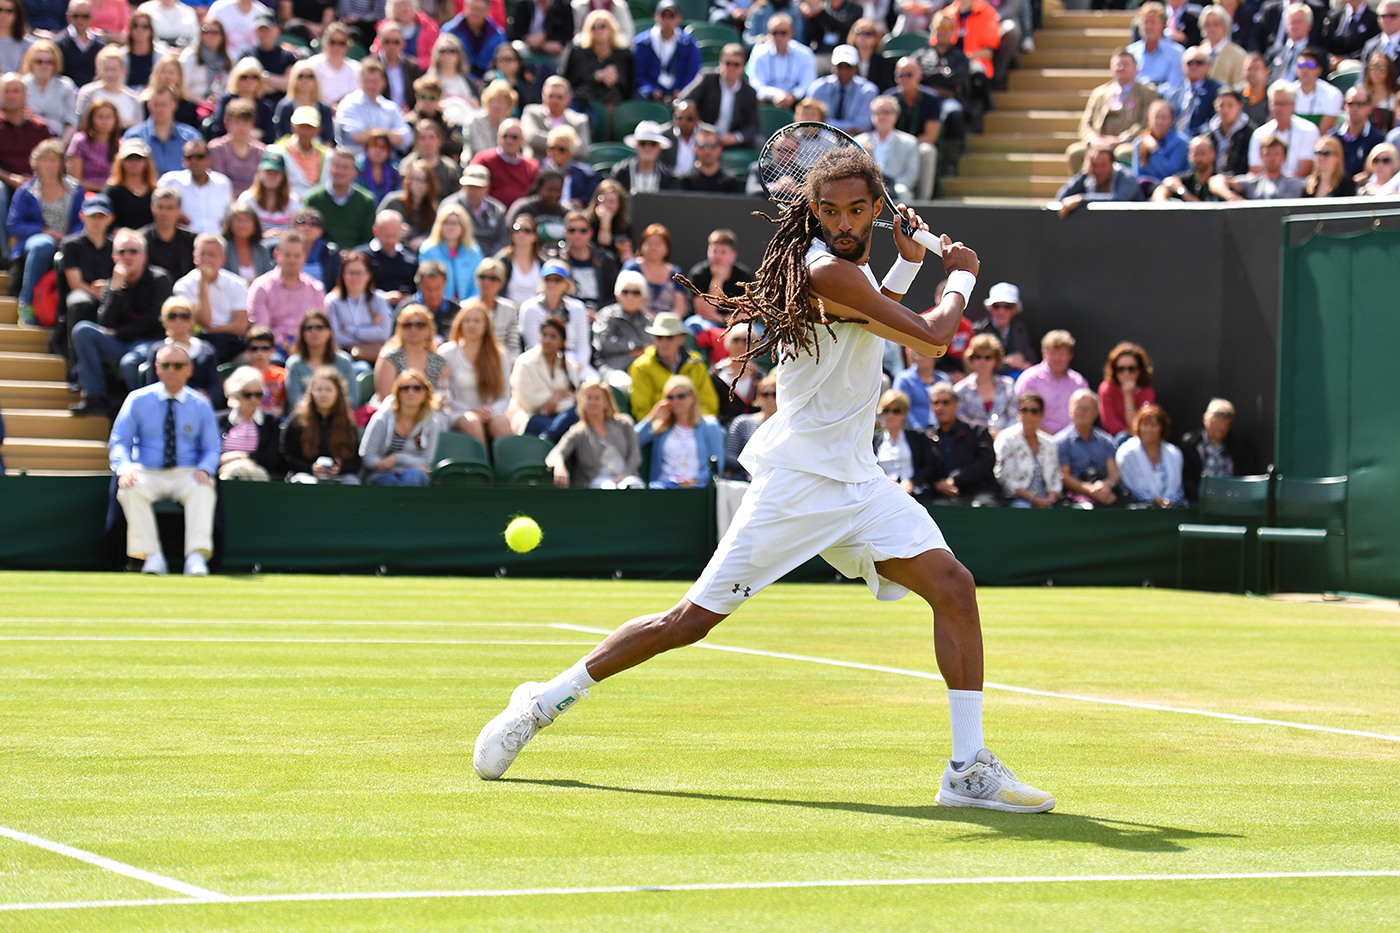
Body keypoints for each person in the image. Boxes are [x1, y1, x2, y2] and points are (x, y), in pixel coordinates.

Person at [474, 147, 1056, 818]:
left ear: (876, 207)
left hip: (858, 482)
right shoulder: (824, 270)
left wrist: (908, 262)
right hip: (798, 485)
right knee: (686, 622)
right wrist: (960, 278)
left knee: (953, 585)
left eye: (857, 209)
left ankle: (967, 769)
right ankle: (542, 702)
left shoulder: (850, 276)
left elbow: (865, 325)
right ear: (812, 211)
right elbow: (930, 338)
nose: (843, 220)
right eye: (829, 210)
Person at [110, 341, 220, 576]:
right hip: (147, 471)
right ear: (157, 368)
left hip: (187, 472)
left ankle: (196, 557)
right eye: (166, 365)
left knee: (203, 487)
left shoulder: (201, 405)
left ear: (189, 370)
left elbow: (212, 447)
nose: (172, 370)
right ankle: (152, 557)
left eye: (178, 365)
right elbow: (119, 441)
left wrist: (205, 468)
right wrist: (125, 468)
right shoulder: (136, 400)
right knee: (129, 489)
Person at [69, 227, 173, 416]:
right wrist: (116, 289)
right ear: (114, 257)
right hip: (121, 343)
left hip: (150, 342)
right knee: (83, 330)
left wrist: (120, 333)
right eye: (121, 252)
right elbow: (106, 322)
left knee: (129, 363)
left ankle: (143, 412)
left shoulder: (160, 279)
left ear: (144, 256)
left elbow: (155, 320)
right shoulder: (112, 283)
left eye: (133, 251)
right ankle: (95, 397)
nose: (127, 256)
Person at [9, 138, 84, 325]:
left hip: (69, 240)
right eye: (45, 159)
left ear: (61, 163)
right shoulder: (26, 191)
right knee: (44, 244)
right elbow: (14, 224)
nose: (49, 164)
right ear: (36, 162)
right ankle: (26, 304)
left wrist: (69, 239)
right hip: (36, 241)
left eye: (54, 159)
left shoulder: (75, 189)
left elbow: (82, 220)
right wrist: (44, 231)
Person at [1065, 49, 1158, 173]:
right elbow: (1085, 124)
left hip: (1126, 143)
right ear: (1111, 68)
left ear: (1136, 69)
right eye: (1117, 64)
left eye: (1125, 64)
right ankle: (1085, 189)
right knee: (1075, 152)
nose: (1121, 68)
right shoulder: (1099, 93)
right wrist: (1093, 140)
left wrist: (1122, 139)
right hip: (1098, 143)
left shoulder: (1147, 92)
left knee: (1123, 153)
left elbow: (1145, 123)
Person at [547, 378, 642, 487]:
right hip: (597, 483)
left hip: (627, 479)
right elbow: (556, 453)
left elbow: (635, 454)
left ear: (606, 402)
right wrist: (559, 466)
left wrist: (626, 474)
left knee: (633, 485)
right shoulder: (578, 431)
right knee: (608, 488)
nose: (592, 402)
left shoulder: (624, 423)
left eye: (597, 398)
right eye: (588, 398)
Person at [440, 301, 513, 444]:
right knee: (473, 424)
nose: (471, 325)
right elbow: (445, 395)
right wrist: (472, 410)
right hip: (458, 412)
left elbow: (505, 396)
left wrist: (489, 412)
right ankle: (483, 465)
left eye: (477, 321)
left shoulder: (500, 355)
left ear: (486, 326)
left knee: (502, 424)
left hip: (491, 411)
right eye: (467, 321)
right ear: (460, 324)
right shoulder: (446, 352)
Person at [634, 373, 723, 488]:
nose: (675, 401)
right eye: (670, 397)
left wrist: (695, 481)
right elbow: (632, 441)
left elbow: (717, 466)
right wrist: (651, 418)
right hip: (664, 487)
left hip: (699, 487)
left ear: (693, 397)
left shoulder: (710, 426)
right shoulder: (661, 426)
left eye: (681, 396)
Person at [171, 233, 249, 364]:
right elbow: (204, 320)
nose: (206, 259)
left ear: (223, 258)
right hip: (196, 344)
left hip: (229, 345)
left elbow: (241, 326)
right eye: (202, 254)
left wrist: (211, 330)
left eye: (212, 255)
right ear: (194, 256)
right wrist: (203, 284)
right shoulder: (183, 286)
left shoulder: (237, 284)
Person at [248, 231, 327, 358]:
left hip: (308, 347)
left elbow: (320, 327)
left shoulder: (315, 288)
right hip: (272, 349)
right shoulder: (261, 287)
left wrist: (301, 347)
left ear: (305, 256)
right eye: (287, 255)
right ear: (276, 254)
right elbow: (261, 329)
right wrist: (285, 345)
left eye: (297, 255)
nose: (292, 260)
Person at [627, 311, 718, 421]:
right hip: (659, 429)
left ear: (681, 339)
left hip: (695, 426)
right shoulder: (641, 367)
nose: (664, 342)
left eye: (670, 337)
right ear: (654, 339)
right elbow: (641, 411)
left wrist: (690, 424)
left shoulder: (696, 364)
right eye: (659, 337)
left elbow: (710, 405)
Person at [359, 368, 442, 485]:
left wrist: (396, 458)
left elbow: (426, 461)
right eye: (405, 388)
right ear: (398, 393)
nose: (411, 392)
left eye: (417, 388)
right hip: (380, 473)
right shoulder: (381, 418)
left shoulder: (432, 422)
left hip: (413, 474)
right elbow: (367, 456)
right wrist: (392, 468)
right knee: (389, 481)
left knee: (412, 475)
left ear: (425, 393)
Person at [281, 364, 363, 482]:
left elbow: (356, 462)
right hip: (304, 475)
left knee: (351, 481)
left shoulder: (348, 423)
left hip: (339, 477)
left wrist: (339, 469)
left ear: (338, 393)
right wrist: (310, 468)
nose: (323, 394)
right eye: (319, 389)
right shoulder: (297, 421)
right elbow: (286, 455)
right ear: (311, 392)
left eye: (328, 390)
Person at [923, 381, 997, 506]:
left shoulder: (978, 431)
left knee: (981, 506)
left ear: (955, 405)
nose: (940, 407)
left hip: (979, 491)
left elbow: (986, 463)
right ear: (931, 406)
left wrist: (954, 480)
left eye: (945, 402)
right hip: (943, 495)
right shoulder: (927, 436)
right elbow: (925, 469)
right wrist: (938, 485)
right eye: (936, 403)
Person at [507, 314, 581, 436]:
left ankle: (549, 435)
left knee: (576, 413)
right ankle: (551, 434)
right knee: (569, 428)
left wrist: (557, 401)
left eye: (553, 337)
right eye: (544, 335)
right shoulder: (524, 362)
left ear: (562, 342)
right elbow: (527, 402)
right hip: (528, 417)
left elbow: (575, 398)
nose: (547, 340)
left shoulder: (569, 365)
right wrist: (556, 395)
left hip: (560, 415)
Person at [58, 191, 114, 348]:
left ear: (110, 219)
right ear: (82, 216)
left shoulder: (117, 246)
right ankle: (74, 359)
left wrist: (108, 288)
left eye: (101, 216)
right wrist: (94, 291)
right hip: (84, 292)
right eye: (92, 216)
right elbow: (75, 283)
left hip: (111, 292)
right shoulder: (71, 245)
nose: (97, 221)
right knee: (79, 302)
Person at [335, 59, 414, 159]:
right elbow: (356, 136)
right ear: (359, 80)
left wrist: (372, 134)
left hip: (387, 163)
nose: (370, 86)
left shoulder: (390, 107)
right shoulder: (349, 103)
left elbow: (407, 137)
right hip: (355, 163)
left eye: (375, 82)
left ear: (384, 83)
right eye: (367, 81)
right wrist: (389, 135)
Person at [517, 260, 591, 368]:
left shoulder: (578, 308)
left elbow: (583, 347)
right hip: (540, 364)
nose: (552, 284)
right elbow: (533, 346)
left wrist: (577, 367)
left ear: (566, 283)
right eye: (548, 279)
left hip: (574, 362)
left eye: (557, 280)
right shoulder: (529, 308)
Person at [993, 390, 1061, 508]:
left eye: (1034, 411)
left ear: (1041, 414)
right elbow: (1004, 478)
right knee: (1023, 507)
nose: (1028, 415)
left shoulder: (1050, 443)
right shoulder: (1006, 439)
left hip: (1046, 500)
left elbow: (1056, 478)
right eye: (1024, 410)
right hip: (1017, 499)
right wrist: (1033, 499)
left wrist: (1051, 497)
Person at [561, 10, 635, 118]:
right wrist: (596, 76)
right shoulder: (579, 52)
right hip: (583, 103)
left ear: (611, 29)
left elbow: (629, 84)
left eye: (602, 26)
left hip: (614, 103)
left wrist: (613, 79)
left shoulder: (624, 54)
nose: (598, 30)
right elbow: (570, 80)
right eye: (593, 27)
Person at [1013, 330, 1089, 435]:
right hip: (1037, 441)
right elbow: (1018, 414)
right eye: (1053, 353)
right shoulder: (1029, 379)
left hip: (1072, 443)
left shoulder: (1079, 382)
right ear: (1043, 353)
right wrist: (1050, 437)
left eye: (1061, 354)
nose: (1057, 359)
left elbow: (1087, 415)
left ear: (1070, 355)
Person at [1054, 389, 1121, 508]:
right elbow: (1064, 477)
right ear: (1070, 411)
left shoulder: (1106, 441)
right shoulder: (1061, 442)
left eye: (1086, 409)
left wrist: (1106, 486)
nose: (1081, 413)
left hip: (1105, 494)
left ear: (1096, 413)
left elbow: (1114, 475)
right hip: (1074, 498)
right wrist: (1091, 490)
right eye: (1077, 408)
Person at [326, 249, 392, 367]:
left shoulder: (379, 299)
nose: (355, 278)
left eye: (359, 273)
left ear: (368, 275)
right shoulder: (332, 301)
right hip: (343, 355)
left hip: (375, 355)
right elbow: (335, 336)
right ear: (343, 275)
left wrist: (349, 329)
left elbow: (384, 333)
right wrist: (370, 333)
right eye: (350, 273)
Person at [304, 147, 377, 250]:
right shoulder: (313, 198)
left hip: (357, 257)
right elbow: (309, 233)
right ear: (328, 168)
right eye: (336, 166)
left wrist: (353, 254)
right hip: (323, 256)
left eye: (346, 167)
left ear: (355, 172)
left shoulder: (366, 200)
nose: (340, 171)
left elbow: (368, 237)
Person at [217, 365, 282, 481]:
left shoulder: (271, 421)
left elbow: (272, 457)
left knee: (237, 471)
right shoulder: (219, 420)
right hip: (224, 471)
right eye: (247, 395)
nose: (253, 400)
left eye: (258, 394)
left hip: (257, 473)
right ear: (236, 394)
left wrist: (242, 457)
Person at [123, 84, 202, 177]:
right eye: (156, 105)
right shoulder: (134, 136)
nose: (160, 109)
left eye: (164, 105)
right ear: (149, 105)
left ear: (174, 105)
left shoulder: (191, 137)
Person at [1115, 404, 1186, 507]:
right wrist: (1153, 500)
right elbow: (1127, 488)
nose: (1149, 429)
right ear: (1139, 426)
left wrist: (1168, 501)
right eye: (1145, 425)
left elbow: (1178, 490)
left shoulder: (1174, 453)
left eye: (1153, 425)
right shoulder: (1127, 453)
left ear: (1162, 428)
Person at [157, 138, 232, 236]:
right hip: (183, 240)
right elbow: (156, 206)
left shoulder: (223, 182)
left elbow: (229, 214)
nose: (194, 161)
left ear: (209, 159)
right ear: (183, 160)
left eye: (199, 157)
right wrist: (175, 215)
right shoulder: (170, 181)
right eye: (189, 157)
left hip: (217, 240)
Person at [872, 388, 937, 499]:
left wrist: (912, 482)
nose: (891, 415)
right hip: (882, 495)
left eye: (896, 411)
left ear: (905, 414)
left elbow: (930, 467)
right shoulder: (873, 441)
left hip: (915, 495)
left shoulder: (919, 438)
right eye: (886, 410)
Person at [375, 303, 447, 401]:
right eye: (407, 325)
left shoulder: (439, 361)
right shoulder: (389, 358)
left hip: (431, 412)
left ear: (429, 329)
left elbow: (444, 395)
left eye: (420, 325)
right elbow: (386, 397)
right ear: (400, 328)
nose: (414, 329)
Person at [633, 0, 700, 104]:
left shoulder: (688, 44)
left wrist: (682, 90)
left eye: (671, 15)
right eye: (664, 15)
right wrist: (652, 90)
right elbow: (637, 73)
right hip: (650, 95)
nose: (667, 20)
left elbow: (692, 73)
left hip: (679, 95)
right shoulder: (642, 43)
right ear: (656, 16)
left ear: (679, 18)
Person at [1248, 81, 1319, 176]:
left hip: (1296, 187)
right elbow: (1255, 169)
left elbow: (1305, 170)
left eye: (1282, 104)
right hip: (1264, 187)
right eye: (1275, 104)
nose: (1278, 109)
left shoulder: (1309, 130)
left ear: (1293, 105)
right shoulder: (1259, 133)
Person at [856, 96, 920, 202]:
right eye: (878, 112)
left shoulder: (909, 142)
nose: (882, 116)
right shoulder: (859, 141)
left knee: (903, 192)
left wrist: (890, 188)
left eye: (886, 112)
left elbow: (911, 174)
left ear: (895, 116)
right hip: (866, 189)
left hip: (896, 191)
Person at [804, 45, 878, 136]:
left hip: (855, 140)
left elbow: (863, 125)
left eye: (848, 67)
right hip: (821, 139)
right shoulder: (818, 87)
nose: (844, 71)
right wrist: (847, 128)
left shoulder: (868, 91)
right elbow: (810, 121)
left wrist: (828, 125)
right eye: (840, 66)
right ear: (833, 67)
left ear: (855, 68)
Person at [747, 13, 815, 110]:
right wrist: (775, 95)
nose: (779, 37)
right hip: (768, 102)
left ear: (791, 33)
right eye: (775, 33)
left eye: (783, 33)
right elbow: (756, 84)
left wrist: (793, 95)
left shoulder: (805, 53)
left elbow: (808, 82)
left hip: (796, 102)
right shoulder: (758, 53)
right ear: (768, 33)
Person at [953, 332, 1018, 436]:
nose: (982, 361)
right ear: (971, 358)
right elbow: (960, 423)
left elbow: (1014, 418)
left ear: (996, 360)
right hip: (973, 445)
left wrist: (1001, 436)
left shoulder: (1008, 385)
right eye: (978, 357)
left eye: (988, 357)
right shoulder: (960, 390)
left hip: (1005, 443)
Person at [620, 221, 686, 321]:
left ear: (667, 248)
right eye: (649, 243)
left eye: (658, 244)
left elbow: (680, 306)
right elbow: (623, 296)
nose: (653, 248)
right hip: (635, 322)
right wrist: (650, 318)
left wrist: (668, 321)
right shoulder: (631, 268)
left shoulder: (675, 272)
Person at [470, 116, 540, 209]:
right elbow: (474, 191)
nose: (509, 141)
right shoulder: (483, 160)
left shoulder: (531, 166)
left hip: (521, 216)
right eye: (505, 136)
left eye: (514, 137)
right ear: (498, 137)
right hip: (489, 215)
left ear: (522, 140)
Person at [1209, 132, 1307, 197]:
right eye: (1267, 154)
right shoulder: (1252, 182)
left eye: (1276, 154)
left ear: (1284, 156)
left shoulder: (1292, 183)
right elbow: (1215, 180)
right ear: (1260, 156)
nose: (1272, 158)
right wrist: (1232, 198)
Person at [1056, 144, 1147, 213]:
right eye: (1095, 165)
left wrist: (1081, 200)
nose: (1099, 170)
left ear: (1112, 163)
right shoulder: (1089, 178)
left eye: (1103, 165)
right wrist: (1084, 174)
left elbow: (1118, 200)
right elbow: (1062, 197)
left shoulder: (1127, 178)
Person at [442, 164, 508, 258]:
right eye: (470, 186)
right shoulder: (448, 207)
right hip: (456, 260)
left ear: (487, 188)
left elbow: (502, 240)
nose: (474, 191)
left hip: (489, 264)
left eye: (478, 187)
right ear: (462, 186)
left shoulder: (497, 210)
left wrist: (491, 261)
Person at [590, 268, 649, 374]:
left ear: (643, 297)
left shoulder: (647, 320)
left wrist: (646, 351)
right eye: (625, 292)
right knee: (624, 385)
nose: (630, 297)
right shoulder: (606, 315)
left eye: (636, 293)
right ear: (617, 295)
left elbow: (652, 345)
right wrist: (637, 345)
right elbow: (603, 343)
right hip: (613, 367)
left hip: (642, 368)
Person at [970, 281, 1034, 375]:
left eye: (1007, 307)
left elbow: (1030, 360)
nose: (1001, 312)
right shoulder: (979, 329)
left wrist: (1022, 362)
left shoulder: (1020, 329)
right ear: (990, 308)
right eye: (997, 306)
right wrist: (1007, 361)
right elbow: (976, 363)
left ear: (1015, 310)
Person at [20, 42, 77, 146]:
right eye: (39, 61)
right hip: (26, 141)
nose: (44, 65)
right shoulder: (21, 84)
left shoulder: (66, 85)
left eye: (49, 62)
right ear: (31, 63)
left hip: (57, 140)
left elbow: (72, 122)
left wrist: (61, 145)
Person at [723, 371, 776, 481]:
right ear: (759, 397)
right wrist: (752, 468)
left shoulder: (789, 424)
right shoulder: (742, 422)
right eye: (765, 394)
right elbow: (730, 455)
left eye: (775, 394)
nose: (770, 399)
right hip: (745, 481)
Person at [1097, 341, 1156, 438]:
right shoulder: (1106, 388)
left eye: (1131, 369)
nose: (1126, 373)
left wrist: (1128, 396)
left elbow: (1140, 426)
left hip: (1138, 441)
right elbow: (1110, 424)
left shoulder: (1147, 392)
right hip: (1110, 441)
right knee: (1122, 437)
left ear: (1139, 371)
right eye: (1121, 369)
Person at [208, 58, 276, 142]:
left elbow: (270, 136)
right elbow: (220, 127)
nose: (249, 81)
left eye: (254, 77)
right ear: (236, 79)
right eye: (244, 77)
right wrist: (247, 134)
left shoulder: (266, 106)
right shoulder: (226, 100)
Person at [75, 45, 142, 130]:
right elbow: (82, 124)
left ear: (122, 70)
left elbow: (138, 129)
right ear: (98, 70)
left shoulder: (133, 98)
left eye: (114, 69)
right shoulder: (88, 93)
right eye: (106, 69)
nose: (110, 74)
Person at [209, 100, 265, 199]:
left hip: (254, 202)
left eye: (246, 123)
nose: (241, 127)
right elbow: (218, 184)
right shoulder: (216, 149)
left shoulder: (261, 151)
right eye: (237, 122)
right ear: (226, 123)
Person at [139, 185, 196, 281]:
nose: (164, 213)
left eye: (170, 208)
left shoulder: (192, 240)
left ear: (179, 210)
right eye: (160, 207)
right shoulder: (140, 240)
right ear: (152, 208)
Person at [444, 0, 508, 80]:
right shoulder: (449, 31)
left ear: (487, 11)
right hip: (456, 80)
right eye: (472, 8)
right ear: (465, 7)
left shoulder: (498, 35)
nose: (475, 13)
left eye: (479, 10)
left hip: (490, 81)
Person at [274, 63, 336, 146]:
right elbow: (283, 136)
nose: (305, 80)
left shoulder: (324, 109)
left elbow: (328, 140)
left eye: (310, 76)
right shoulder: (285, 107)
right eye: (300, 76)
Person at [610, 119, 677, 195]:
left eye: (653, 144)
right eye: (642, 143)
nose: (648, 148)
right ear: (636, 146)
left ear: (659, 147)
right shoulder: (621, 172)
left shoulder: (669, 177)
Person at [102, 138, 155, 231]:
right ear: (121, 162)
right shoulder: (112, 191)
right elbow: (107, 221)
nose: (134, 162)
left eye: (139, 158)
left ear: (146, 162)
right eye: (129, 158)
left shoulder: (154, 191)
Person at [1331, 87, 1385, 178]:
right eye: (1350, 103)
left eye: (1360, 104)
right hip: (1335, 189)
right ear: (1345, 106)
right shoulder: (1333, 138)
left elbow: (1372, 173)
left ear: (1370, 107)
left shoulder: (1378, 139)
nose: (1354, 108)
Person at [178, 17, 232, 108]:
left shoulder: (228, 60)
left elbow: (230, 88)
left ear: (222, 36)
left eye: (215, 32)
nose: (210, 35)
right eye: (205, 31)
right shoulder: (190, 55)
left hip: (220, 106)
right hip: (192, 105)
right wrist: (203, 103)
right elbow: (183, 87)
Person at [400, 119, 460, 199]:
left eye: (431, 137)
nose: (427, 142)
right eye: (422, 138)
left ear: (439, 139)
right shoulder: (407, 165)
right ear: (416, 141)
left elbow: (455, 197)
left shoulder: (450, 168)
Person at [1154, 132, 1223, 200]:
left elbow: (1205, 210)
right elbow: (1161, 189)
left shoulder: (1220, 181)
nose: (1198, 159)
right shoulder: (1185, 180)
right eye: (1195, 154)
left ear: (1213, 154)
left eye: (1202, 154)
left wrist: (1184, 193)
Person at [308, 22, 362, 108]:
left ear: (347, 45)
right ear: (325, 43)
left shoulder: (356, 68)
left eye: (341, 43)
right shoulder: (313, 64)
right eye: (332, 42)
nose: (336, 47)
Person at [373, 21, 424, 113]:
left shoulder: (412, 66)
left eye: (396, 42)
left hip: (408, 115)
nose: (391, 46)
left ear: (403, 43)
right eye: (387, 41)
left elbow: (418, 96)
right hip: (379, 114)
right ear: (380, 42)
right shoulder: (372, 66)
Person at [57, 0, 103, 90]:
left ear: (91, 17)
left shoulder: (100, 46)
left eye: (85, 16)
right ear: (68, 16)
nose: (80, 20)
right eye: (75, 16)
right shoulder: (58, 44)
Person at [241, 325, 286, 416]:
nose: (259, 353)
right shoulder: (242, 375)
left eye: (265, 348)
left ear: (273, 350)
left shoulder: (283, 375)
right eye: (254, 349)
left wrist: (280, 410)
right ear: (247, 351)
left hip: (275, 420)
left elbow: (284, 404)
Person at [221, 204, 273, 281]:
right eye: (238, 220)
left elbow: (267, 277)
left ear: (255, 225)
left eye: (246, 221)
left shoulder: (261, 250)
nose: (242, 225)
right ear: (230, 224)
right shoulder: (223, 249)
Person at [466, 77, 517, 154]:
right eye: (495, 101)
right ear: (488, 100)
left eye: (502, 102)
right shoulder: (474, 121)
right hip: (476, 163)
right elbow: (478, 150)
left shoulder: (507, 125)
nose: (498, 105)